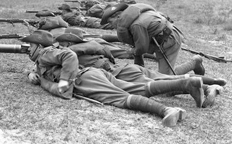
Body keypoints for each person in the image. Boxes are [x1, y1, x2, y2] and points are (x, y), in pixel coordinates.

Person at [22, 30, 204, 127]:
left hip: (85, 79)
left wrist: (63, 83)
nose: (28, 50)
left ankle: (166, 111)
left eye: (30, 46)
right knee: (140, 88)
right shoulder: (43, 59)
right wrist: (32, 74)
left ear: (39, 46)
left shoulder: (45, 54)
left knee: (122, 98)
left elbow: (68, 57)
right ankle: (186, 83)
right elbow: (44, 68)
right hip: (95, 73)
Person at [54, 30, 226, 108]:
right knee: (164, 79)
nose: (60, 47)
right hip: (127, 68)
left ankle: (202, 80)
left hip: (121, 73)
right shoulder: (92, 46)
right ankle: (209, 85)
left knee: (163, 85)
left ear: (69, 43)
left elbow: (64, 63)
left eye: (62, 44)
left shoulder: (72, 52)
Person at [101, 3, 204, 75]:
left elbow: (141, 48)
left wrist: (132, 51)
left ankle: (195, 62)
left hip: (169, 40)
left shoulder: (136, 25)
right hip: (161, 40)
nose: (111, 26)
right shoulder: (133, 16)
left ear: (118, 16)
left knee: (165, 81)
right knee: (164, 78)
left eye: (111, 22)